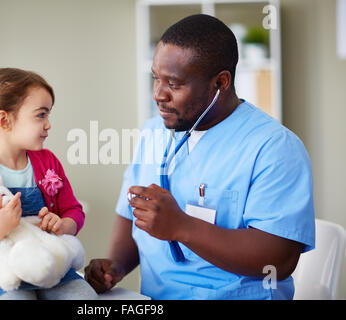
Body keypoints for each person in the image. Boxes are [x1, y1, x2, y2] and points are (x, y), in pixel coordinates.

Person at [84, 14, 315, 300]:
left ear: (220, 82)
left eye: (174, 83)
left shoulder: (274, 148)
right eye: (156, 78)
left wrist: (182, 227)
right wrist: (115, 265)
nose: (158, 94)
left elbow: (278, 260)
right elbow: (131, 212)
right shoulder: (153, 132)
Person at [0, 68, 98, 300]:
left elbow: (73, 211)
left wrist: (62, 225)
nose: (48, 124)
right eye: (41, 115)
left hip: (45, 258)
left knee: (83, 298)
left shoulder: (48, 162)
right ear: (4, 120)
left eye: (48, 115)